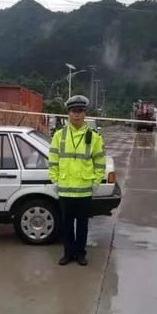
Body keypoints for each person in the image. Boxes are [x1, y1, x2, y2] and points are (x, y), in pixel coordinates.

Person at [49, 95, 106, 266]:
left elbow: (100, 162)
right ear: (68, 113)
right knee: (66, 225)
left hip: (84, 189)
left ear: (85, 113)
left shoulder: (93, 137)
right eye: (74, 111)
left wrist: (96, 182)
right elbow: (53, 160)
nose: (76, 115)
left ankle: (80, 254)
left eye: (80, 111)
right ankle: (68, 253)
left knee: (82, 225)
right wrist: (55, 181)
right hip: (65, 189)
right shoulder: (59, 135)